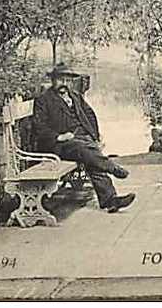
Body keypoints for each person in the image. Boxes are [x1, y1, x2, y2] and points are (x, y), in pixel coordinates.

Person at [32, 63, 135, 213]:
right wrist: (58, 136)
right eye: (60, 80)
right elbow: (39, 127)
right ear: (53, 80)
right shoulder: (43, 100)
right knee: (86, 151)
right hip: (58, 145)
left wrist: (95, 136)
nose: (64, 84)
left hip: (81, 139)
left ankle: (110, 200)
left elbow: (90, 116)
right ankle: (112, 168)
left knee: (91, 156)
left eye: (68, 81)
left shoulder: (75, 97)